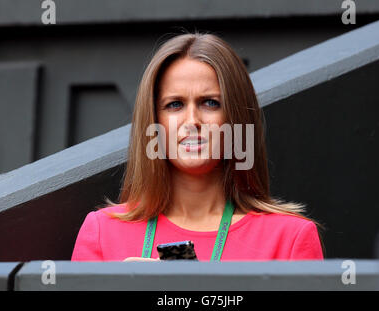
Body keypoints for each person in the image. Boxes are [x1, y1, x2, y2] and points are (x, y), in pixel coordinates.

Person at [71, 32, 324, 262]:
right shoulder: (102, 232)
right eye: (175, 105)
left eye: (210, 103)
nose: (192, 121)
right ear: (153, 120)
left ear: (236, 118)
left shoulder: (290, 237)